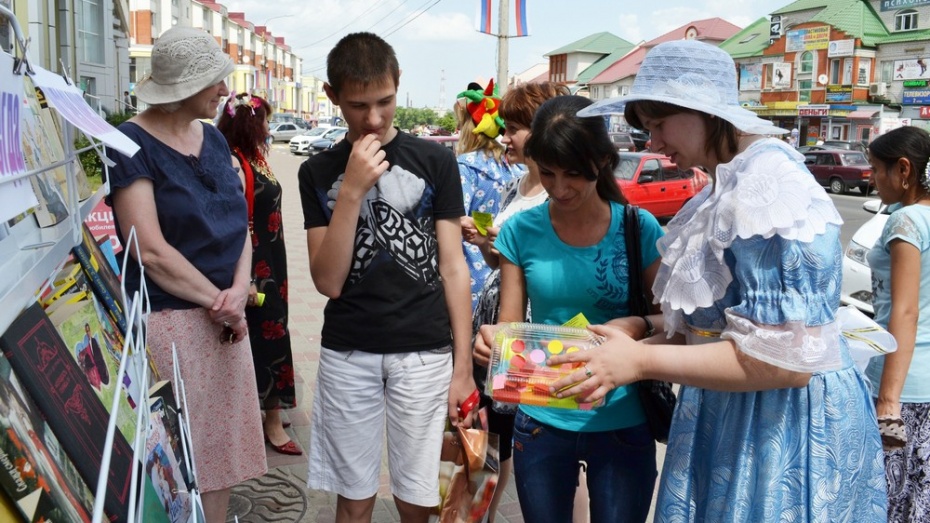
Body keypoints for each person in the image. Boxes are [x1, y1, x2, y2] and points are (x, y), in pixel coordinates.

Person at [548, 39, 887, 521]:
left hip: (775, 426)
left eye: (659, 125)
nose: (655, 144)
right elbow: (726, 323)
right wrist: (644, 327)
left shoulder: (767, 190)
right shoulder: (731, 181)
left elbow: (785, 361)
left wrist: (640, 361)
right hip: (739, 413)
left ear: (703, 111)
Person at [297, 32, 476, 523]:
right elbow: (329, 282)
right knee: (352, 501)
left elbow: (453, 265)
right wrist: (351, 191)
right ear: (332, 96)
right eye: (357, 105)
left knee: (417, 499)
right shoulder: (317, 171)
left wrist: (463, 369)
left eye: (385, 102)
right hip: (348, 351)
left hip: (424, 351)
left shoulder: (436, 160)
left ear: (398, 85)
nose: (373, 119)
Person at [474, 95, 665, 523]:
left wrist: (637, 325)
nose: (560, 189)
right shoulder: (521, 230)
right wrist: (491, 345)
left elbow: (673, 324)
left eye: (574, 175)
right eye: (548, 173)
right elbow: (508, 326)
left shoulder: (638, 228)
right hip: (540, 422)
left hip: (622, 420)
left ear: (602, 162)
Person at [105, 26, 267, 523]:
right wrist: (222, 302)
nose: (224, 90)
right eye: (215, 81)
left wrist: (238, 292)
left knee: (218, 458)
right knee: (169, 463)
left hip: (225, 321)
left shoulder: (214, 137)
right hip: (170, 324)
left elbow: (240, 222)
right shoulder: (129, 143)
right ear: (182, 89)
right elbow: (150, 251)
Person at [467, 80, 568, 522]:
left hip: (528, 337)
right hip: (492, 329)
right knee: (484, 436)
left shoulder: (561, 193)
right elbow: (502, 263)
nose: (504, 137)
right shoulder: (518, 185)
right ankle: (472, 515)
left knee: (529, 444)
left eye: (514, 128)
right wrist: (488, 244)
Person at [217, 93, 300, 456]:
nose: (269, 127)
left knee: (274, 332)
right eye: (264, 120)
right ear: (250, 123)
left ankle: (272, 410)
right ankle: (269, 421)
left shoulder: (255, 158)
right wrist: (245, 277)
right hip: (255, 269)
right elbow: (232, 225)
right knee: (266, 339)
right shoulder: (234, 162)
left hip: (273, 263)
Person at [863, 125, 930, 522]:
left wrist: (888, 403)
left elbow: (904, 312)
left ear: (903, 170)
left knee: (889, 504)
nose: (872, 180)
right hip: (923, 385)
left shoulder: (906, 222)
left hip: (901, 388)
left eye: (876, 170)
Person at [455, 79, 522, 310]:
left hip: (473, 272)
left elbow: (456, 220)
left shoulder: (466, 165)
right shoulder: (517, 166)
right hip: (508, 271)